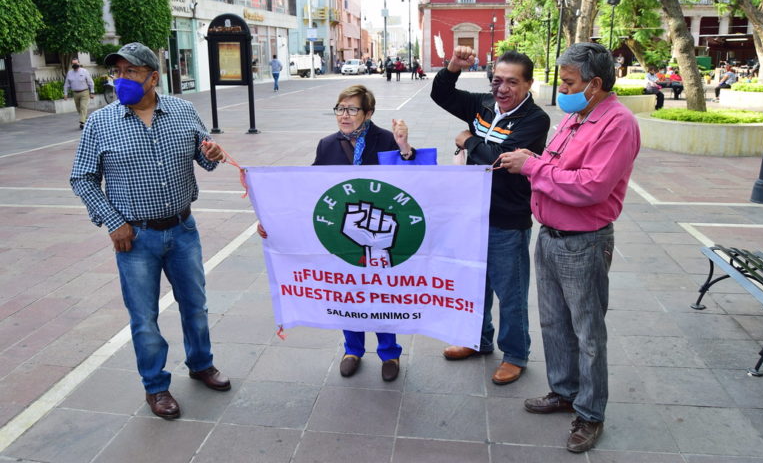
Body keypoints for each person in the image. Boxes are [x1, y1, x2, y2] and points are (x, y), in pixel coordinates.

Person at [70, 42, 231, 421]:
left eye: (130, 72)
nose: (120, 79)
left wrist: (213, 155)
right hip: (135, 238)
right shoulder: (100, 122)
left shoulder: (183, 110)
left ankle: (201, 363)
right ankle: (156, 388)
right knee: (144, 317)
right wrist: (113, 222)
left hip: (182, 229)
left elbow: (205, 159)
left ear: (153, 77)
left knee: (195, 305)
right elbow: (82, 178)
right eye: (117, 72)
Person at [499, 42, 640, 453]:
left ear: (595, 84)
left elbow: (591, 187)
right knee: (553, 322)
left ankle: (590, 414)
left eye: (569, 82)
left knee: (587, 331)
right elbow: (560, 167)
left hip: (584, 242)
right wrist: (535, 158)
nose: (562, 89)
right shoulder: (578, 117)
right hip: (550, 234)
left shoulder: (617, 123)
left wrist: (533, 166)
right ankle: (564, 391)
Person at [257, 84, 416, 381]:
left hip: (380, 230)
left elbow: (414, 177)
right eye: (340, 109)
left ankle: (389, 353)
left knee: (381, 294)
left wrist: (405, 147)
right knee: (348, 292)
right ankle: (352, 349)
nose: (344, 115)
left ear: (368, 113)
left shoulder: (386, 140)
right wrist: (274, 220)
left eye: (352, 109)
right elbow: (310, 189)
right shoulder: (327, 144)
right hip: (344, 232)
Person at [430, 46, 550, 385]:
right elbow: (441, 93)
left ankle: (514, 354)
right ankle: (478, 339)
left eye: (512, 82)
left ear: (528, 84)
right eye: (497, 80)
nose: (502, 89)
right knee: (474, 284)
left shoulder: (535, 119)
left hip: (506, 217)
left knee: (509, 291)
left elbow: (501, 159)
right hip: (472, 213)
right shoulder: (482, 105)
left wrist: (468, 141)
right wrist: (452, 66)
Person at [63, 58, 95, 130]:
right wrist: (65, 94)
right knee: (79, 109)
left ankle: (82, 123)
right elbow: (66, 84)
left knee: (83, 107)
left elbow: (90, 82)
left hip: (84, 92)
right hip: (75, 93)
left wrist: (92, 92)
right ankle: (87, 121)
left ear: (79, 63)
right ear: (72, 64)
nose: (75, 65)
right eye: (73, 64)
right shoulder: (70, 73)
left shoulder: (84, 71)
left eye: (76, 63)